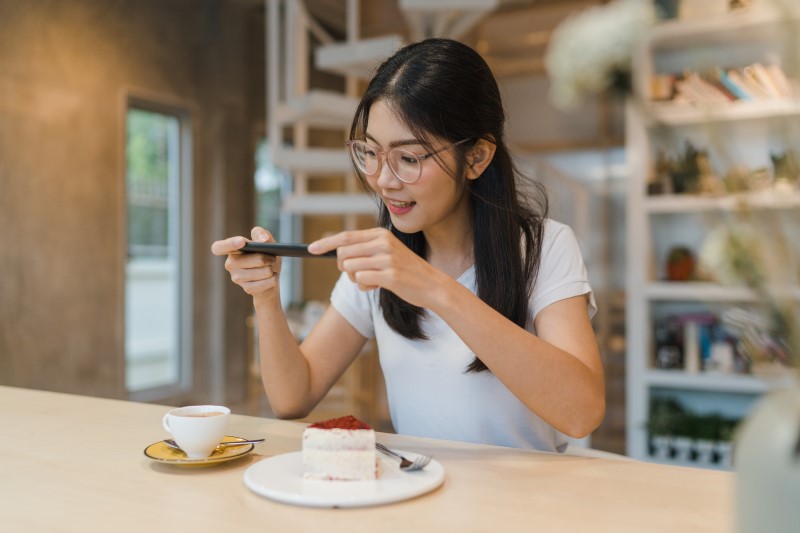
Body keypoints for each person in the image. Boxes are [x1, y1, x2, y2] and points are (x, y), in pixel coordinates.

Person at [211, 38, 605, 452]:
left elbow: (581, 412)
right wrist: (266, 298)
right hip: (417, 496)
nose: (383, 180)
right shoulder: (381, 260)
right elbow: (293, 397)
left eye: (409, 158)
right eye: (371, 152)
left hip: (522, 505)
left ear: (477, 158)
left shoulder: (545, 247)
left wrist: (435, 288)